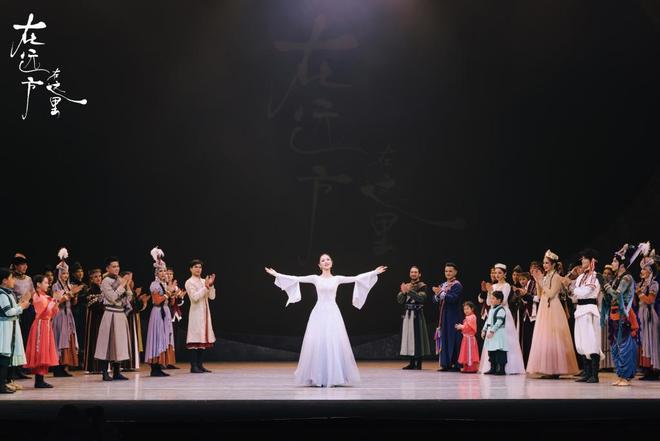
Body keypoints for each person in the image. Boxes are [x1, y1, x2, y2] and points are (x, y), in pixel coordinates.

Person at [265, 254, 387, 387]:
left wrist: (374, 272)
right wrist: (277, 274)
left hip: (333, 313)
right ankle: (317, 376)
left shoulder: (337, 279)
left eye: (328, 259)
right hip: (318, 313)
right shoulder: (315, 278)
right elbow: (296, 278)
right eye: (323, 260)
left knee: (333, 342)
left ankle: (334, 376)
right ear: (319, 265)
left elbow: (356, 278)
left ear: (332, 263)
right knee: (318, 343)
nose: (326, 261)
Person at [526, 250, 579, 378]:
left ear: (553, 264)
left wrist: (541, 281)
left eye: (547, 263)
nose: (545, 265)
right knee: (545, 337)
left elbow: (551, 294)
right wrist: (537, 280)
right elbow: (540, 295)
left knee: (553, 337)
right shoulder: (546, 276)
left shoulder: (556, 277)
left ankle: (555, 369)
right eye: (544, 263)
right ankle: (547, 369)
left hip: (553, 308)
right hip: (544, 307)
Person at [601, 243, 644, 386]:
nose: (612, 263)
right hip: (614, 315)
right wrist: (605, 291)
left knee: (625, 346)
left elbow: (617, 295)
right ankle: (620, 375)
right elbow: (610, 298)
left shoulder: (627, 278)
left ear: (621, 264)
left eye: (615, 261)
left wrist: (606, 287)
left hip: (624, 315)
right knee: (615, 347)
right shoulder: (616, 279)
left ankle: (626, 377)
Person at [478, 264, 525, 374]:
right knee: (492, 341)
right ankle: (493, 366)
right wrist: (489, 291)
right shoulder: (493, 286)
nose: (497, 275)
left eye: (500, 273)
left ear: (505, 274)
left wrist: (491, 292)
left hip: (503, 313)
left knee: (504, 341)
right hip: (493, 313)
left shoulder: (506, 285)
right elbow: (489, 303)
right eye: (495, 273)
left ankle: (505, 367)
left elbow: (502, 301)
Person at [94, 257, 133, 381]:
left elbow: (128, 298)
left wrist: (127, 286)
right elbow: (112, 297)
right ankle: (105, 372)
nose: (117, 268)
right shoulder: (105, 281)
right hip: (110, 314)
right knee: (107, 343)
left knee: (119, 344)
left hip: (120, 314)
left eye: (118, 266)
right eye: (114, 266)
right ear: (108, 268)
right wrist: (122, 285)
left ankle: (117, 372)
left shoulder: (120, 280)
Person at [570, 249, 603, 383]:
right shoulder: (580, 277)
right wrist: (574, 290)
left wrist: (574, 290)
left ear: (591, 261)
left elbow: (585, 292)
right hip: (580, 310)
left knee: (591, 341)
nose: (582, 261)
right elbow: (574, 296)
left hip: (589, 310)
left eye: (585, 258)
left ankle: (594, 375)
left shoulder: (595, 276)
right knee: (581, 341)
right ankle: (587, 372)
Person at [24, 275, 62, 388]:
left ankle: (40, 379)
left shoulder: (45, 296)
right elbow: (42, 312)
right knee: (40, 351)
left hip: (46, 325)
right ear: (38, 284)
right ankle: (39, 380)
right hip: (40, 325)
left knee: (45, 351)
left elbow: (53, 312)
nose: (47, 285)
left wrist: (57, 301)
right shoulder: (37, 296)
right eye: (45, 282)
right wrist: (54, 300)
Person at [51, 248, 82, 377]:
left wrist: (75, 296)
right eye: (63, 273)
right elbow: (57, 301)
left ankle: (64, 366)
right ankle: (57, 368)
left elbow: (72, 303)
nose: (66, 275)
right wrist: (70, 294)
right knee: (60, 339)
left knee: (69, 339)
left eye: (67, 273)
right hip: (59, 315)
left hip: (68, 314)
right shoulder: (55, 286)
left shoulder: (68, 285)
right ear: (59, 274)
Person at [145, 247, 176, 377]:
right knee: (157, 338)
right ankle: (154, 367)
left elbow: (170, 303)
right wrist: (168, 293)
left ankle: (160, 366)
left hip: (165, 312)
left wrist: (173, 295)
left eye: (164, 271)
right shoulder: (155, 284)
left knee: (164, 337)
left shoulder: (165, 285)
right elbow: (157, 301)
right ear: (156, 273)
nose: (164, 273)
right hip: (158, 314)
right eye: (161, 271)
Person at [0, 268, 30, 393]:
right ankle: (1, 386)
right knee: (4, 356)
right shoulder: (2, 295)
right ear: (4, 280)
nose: (14, 280)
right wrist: (21, 307)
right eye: (11, 278)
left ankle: (6, 382)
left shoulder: (8, 293)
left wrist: (20, 304)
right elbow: (8, 312)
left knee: (8, 355)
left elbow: (13, 309)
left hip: (10, 327)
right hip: (4, 328)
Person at [185, 259, 216, 373]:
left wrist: (210, 286)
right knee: (195, 339)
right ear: (191, 269)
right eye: (196, 267)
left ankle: (200, 364)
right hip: (196, 313)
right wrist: (205, 287)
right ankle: (193, 366)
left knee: (203, 339)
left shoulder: (204, 281)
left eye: (200, 267)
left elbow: (212, 297)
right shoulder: (189, 282)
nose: (198, 269)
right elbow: (194, 297)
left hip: (205, 313)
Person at [397, 266, 431, 370]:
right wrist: (403, 292)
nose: (413, 274)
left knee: (418, 337)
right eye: (412, 272)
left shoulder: (422, 286)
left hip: (417, 314)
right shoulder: (407, 285)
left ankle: (419, 363)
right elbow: (400, 300)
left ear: (419, 274)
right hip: (407, 314)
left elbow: (421, 298)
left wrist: (409, 291)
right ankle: (411, 362)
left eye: (415, 272)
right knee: (409, 338)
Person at [432, 262, 463, 371]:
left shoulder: (457, 285)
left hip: (453, 315)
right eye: (446, 271)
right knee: (444, 337)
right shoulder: (443, 284)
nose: (448, 273)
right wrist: (437, 295)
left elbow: (453, 298)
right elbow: (434, 300)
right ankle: (445, 364)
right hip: (443, 315)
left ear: (455, 272)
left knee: (453, 338)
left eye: (450, 271)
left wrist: (441, 293)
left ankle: (455, 364)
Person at [637, 254, 659, 381]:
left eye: (644, 269)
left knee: (650, 341)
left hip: (649, 315)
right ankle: (646, 369)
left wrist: (639, 293)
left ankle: (654, 370)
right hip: (641, 314)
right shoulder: (641, 284)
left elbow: (650, 300)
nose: (641, 271)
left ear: (650, 271)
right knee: (643, 342)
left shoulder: (654, 284)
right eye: (641, 269)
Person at [83, 269, 104, 373]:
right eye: (96, 277)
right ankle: (93, 367)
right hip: (94, 319)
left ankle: (103, 366)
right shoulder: (90, 290)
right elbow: (93, 306)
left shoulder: (104, 289)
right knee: (94, 339)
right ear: (91, 279)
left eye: (100, 276)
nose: (98, 278)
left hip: (103, 318)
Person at [481, 291, 507, 375]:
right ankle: (493, 368)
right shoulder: (492, 309)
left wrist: (492, 331)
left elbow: (499, 322)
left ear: (499, 300)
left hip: (498, 333)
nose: (491, 300)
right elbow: (488, 321)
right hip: (491, 332)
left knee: (499, 351)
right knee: (491, 351)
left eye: (493, 298)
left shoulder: (501, 310)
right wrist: (484, 330)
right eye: (491, 298)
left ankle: (501, 369)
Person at [455, 301, 479, 373]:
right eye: (464, 309)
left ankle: (471, 368)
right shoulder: (467, 317)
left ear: (472, 309)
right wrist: (460, 327)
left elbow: (469, 327)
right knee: (465, 352)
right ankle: (466, 367)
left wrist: (461, 326)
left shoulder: (472, 317)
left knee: (470, 352)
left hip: (470, 339)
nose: (466, 310)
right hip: (465, 338)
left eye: (467, 308)